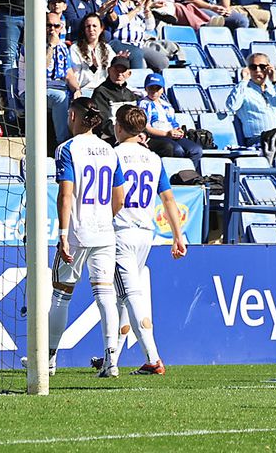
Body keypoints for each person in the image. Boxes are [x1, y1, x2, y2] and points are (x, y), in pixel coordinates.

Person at [109, 104, 187, 377]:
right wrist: (178, 235)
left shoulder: (114, 154)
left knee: (130, 295)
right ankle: (112, 360)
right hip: (146, 233)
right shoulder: (154, 159)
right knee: (122, 297)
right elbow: (167, 199)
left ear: (119, 126)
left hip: (120, 231)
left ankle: (153, 358)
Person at [45, 98, 120, 377]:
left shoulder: (67, 149)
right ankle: (112, 360)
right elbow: (119, 197)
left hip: (77, 233)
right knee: (105, 296)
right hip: (104, 232)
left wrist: (63, 234)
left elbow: (66, 194)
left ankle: (49, 359)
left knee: (61, 296)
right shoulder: (109, 150)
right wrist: (103, 217)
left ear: (73, 115)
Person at [226, 53, 276, 155]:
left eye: (262, 67)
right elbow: (232, 106)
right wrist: (243, 80)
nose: (258, 70)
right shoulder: (243, 90)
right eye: (253, 67)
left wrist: (275, 82)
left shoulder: (274, 89)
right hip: (258, 138)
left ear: (268, 68)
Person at [138, 74, 202, 175]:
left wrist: (178, 130)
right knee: (177, 150)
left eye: (157, 88)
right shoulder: (143, 104)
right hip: (156, 137)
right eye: (151, 88)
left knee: (196, 150)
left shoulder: (166, 105)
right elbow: (145, 126)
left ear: (162, 89)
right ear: (146, 88)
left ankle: (190, 176)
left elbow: (173, 122)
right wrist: (166, 134)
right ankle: (175, 177)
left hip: (171, 135)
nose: (154, 91)